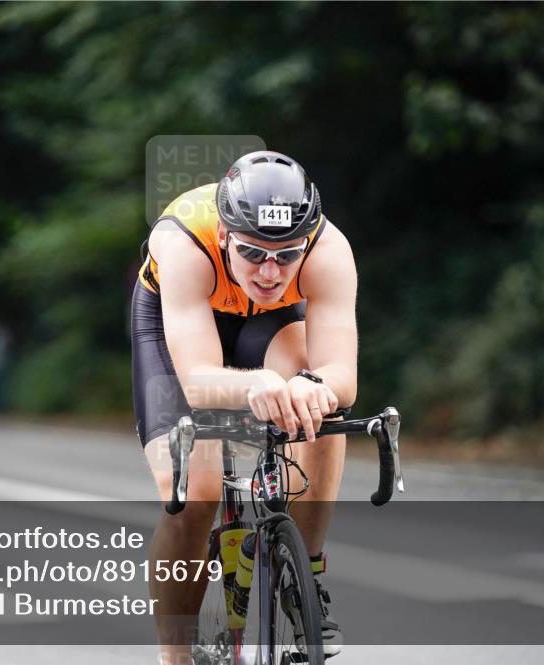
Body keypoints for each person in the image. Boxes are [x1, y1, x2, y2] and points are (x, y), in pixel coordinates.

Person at [132, 151, 357, 662]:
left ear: (307, 241)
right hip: (180, 333)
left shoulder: (329, 249)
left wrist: (313, 387)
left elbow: (342, 374)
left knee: (320, 413)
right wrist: (255, 385)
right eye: (254, 253)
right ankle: (175, 656)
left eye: (286, 253)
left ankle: (307, 582)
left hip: (269, 327)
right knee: (195, 492)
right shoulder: (185, 241)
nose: (271, 270)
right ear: (227, 237)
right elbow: (198, 382)